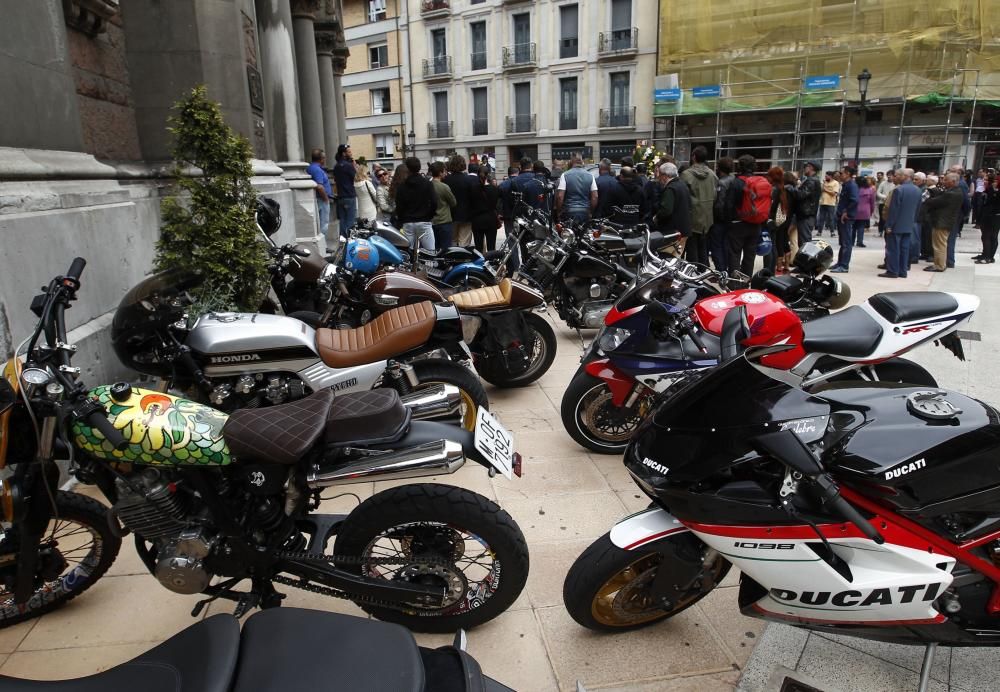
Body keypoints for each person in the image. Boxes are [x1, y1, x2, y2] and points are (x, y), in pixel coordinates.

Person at [721, 154, 764, 276]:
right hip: (755, 224)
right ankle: (746, 283)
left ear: (740, 166)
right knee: (750, 257)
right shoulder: (759, 181)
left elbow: (729, 205)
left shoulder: (736, 183)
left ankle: (735, 283)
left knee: (734, 255)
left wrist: (728, 222)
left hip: (738, 224)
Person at [680, 145, 718, 266]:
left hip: (691, 217)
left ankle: (693, 274)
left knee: (691, 248)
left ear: (694, 157)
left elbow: (682, 197)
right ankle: (702, 271)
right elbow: (715, 195)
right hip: (707, 216)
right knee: (704, 247)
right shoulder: (713, 175)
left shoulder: (686, 175)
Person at [881, 168, 921, 278]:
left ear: (905, 176)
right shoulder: (917, 190)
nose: (896, 177)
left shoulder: (899, 190)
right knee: (904, 249)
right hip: (909, 224)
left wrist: (889, 225)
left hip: (896, 225)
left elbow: (894, 210)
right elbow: (918, 209)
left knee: (893, 249)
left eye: (898, 175)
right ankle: (903, 271)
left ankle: (893, 271)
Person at [921, 171, 964, 272]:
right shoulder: (954, 191)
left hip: (942, 222)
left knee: (939, 244)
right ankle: (939, 263)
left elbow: (933, 201)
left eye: (946, 180)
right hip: (944, 221)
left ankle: (939, 265)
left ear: (953, 181)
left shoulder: (952, 193)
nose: (944, 182)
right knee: (940, 244)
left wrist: (928, 198)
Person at [394, 157, 438, 251]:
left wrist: (402, 219)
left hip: (408, 222)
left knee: (408, 251)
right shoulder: (427, 183)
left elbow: (399, 206)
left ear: (407, 169)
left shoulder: (402, 186)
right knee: (430, 251)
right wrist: (430, 215)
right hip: (424, 221)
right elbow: (434, 201)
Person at [654, 162, 692, 255]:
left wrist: (656, 217)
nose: (658, 178)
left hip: (673, 232)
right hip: (684, 229)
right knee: (677, 258)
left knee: (669, 258)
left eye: (659, 175)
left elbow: (666, 210)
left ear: (665, 176)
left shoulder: (671, 188)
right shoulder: (682, 185)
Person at [830, 167, 858, 273]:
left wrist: (846, 212)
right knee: (842, 241)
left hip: (846, 218)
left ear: (847, 174)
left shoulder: (852, 185)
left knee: (846, 242)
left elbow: (854, 201)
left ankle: (844, 266)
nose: (839, 175)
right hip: (841, 216)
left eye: (841, 173)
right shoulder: (846, 185)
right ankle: (840, 262)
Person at [444, 154, 476, 247]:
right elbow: (472, 197)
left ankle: (453, 259)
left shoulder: (446, 180)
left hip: (450, 215)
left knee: (452, 240)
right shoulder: (468, 180)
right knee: (464, 241)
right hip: (466, 215)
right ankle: (462, 258)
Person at [710, 156, 736, 271]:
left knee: (716, 246)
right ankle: (727, 269)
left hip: (721, 221)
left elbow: (719, 204)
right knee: (726, 245)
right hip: (732, 219)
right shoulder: (734, 179)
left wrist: (717, 217)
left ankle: (721, 270)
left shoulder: (721, 183)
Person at [555, 154, 598, 223]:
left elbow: (560, 197)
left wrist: (559, 212)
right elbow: (595, 197)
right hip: (584, 212)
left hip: (568, 212)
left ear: (571, 161)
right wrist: (590, 212)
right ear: (581, 162)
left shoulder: (565, 175)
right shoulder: (590, 176)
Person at [765, 166, 791, 273]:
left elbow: (771, 206)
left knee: (771, 246)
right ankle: (775, 268)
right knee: (776, 244)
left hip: (772, 220)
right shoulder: (783, 188)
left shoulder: (774, 189)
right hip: (780, 220)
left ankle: (770, 269)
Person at [471, 166, 501, 252]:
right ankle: (491, 264)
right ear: (489, 175)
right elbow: (496, 204)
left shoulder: (473, 189)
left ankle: (480, 264)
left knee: (478, 247)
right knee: (491, 247)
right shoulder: (495, 189)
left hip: (477, 220)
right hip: (491, 219)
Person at [947, 164, 972, 268]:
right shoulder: (958, 183)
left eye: (952, 170)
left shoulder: (960, 184)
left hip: (956, 214)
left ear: (958, 172)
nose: (949, 172)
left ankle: (949, 260)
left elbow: (966, 201)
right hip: (954, 213)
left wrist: (964, 214)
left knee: (950, 238)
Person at [429, 161, 457, 249]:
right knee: (445, 249)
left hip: (431, 222)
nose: (446, 173)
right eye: (444, 171)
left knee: (435, 248)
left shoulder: (427, 185)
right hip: (444, 222)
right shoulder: (444, 187)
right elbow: (453, 202)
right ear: (440, 173)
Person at [794, 161, 821, 247]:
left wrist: (792, 188)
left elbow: (801, 195)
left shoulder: (811, 181)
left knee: (804, 243)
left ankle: (806, 260)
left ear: (811, 168)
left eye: (807, 166)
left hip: (806, 215)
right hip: (807, 214)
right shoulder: (811, 180)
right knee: (803, 241)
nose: (805, 168)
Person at [332, 144, 357, 235]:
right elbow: (356, 178)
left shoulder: (336, 166)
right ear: (343, 153)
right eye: (349, 152)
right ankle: (349, 241)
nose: (351, 153)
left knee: (342, 221)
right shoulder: (348, 165)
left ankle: (342, 240)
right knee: (350, 221)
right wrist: (354, 167)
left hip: (341, 196)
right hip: (349, 196)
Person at [977, 175, 1000, 264]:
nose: (984, 181)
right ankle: (986, 254)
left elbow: (992, 202)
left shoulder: (994, 191)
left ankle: (988, 257)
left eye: (996, 181)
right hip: (987, 215)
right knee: (986, 236)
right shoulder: (989, 190)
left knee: (990, 236)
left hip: (994, 216)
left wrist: (993, 191)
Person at [817, 171, 841, 236]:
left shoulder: (835, 183)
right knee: (821, 218)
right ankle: (819, 232)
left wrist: (825, 190)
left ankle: (832, 232)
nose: (825, 177)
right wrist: (823, 185)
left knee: (831, 218)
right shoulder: (824, 182)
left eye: (826, 176)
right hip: (822, 202)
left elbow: (834, 193)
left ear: (831, 176)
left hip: (831, 203)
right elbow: (820, 190)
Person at [854, 176, 875, 248]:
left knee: (853, 227)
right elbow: (872, 202)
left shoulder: (855, 189)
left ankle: (851, 241)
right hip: (865, 211)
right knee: (861, 227)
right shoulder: (870, 190)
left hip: (854, 210)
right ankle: (860, 242)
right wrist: (871, 211)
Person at [876, 169, 896, 236]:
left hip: (892, 203)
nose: (889, 177)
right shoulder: (883, 183)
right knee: (882, 218)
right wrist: (885, 197)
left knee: (889, 218)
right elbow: (878, 192)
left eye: (890, 175)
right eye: (888, 175)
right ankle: (880, 231)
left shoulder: (895, 184)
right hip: (882, 202)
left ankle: (887, 230)